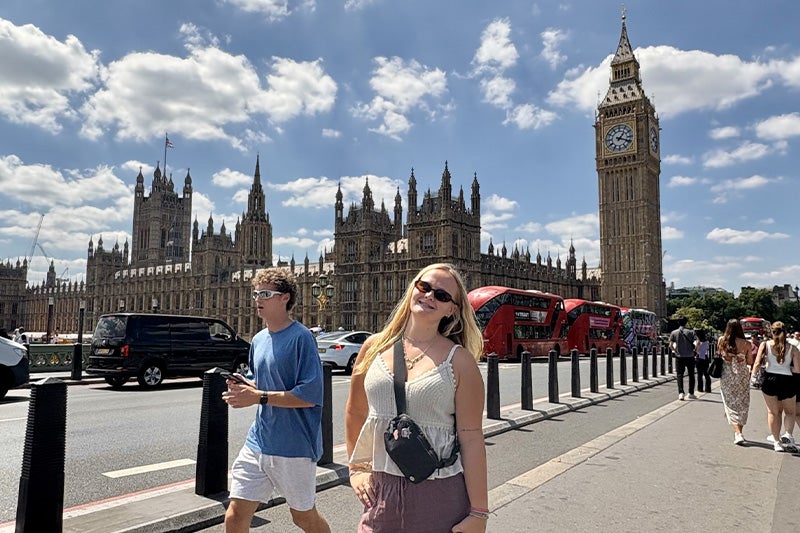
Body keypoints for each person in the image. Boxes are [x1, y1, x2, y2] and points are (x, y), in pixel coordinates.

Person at [345, 263, 488, 532]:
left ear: (452, 310)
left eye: (443, 296)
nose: (430, 295)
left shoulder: (459, 361)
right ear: (413, 288)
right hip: (381, 493)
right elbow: (355, 411)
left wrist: (479, 512)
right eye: (424, 286)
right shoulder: (373, 348)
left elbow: (471, 437)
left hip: (439, 493)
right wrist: (356, 468)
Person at [222, 268, 330, 533]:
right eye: (257, 293)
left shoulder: (301, 338)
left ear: (285, 298)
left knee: (304, 519)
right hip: (258, 442)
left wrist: (257, 397)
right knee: (235, 516)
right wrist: (245, 386)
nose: (259, 298)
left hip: (293, 447)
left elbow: (309, 396)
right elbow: (263, 384)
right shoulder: (258, 340)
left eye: (266, 294)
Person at [751, 321, 800, 452]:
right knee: (790, 412)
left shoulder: (765, 345)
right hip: (788, 381)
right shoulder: (793, 348)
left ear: (772, 332)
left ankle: (777, 442)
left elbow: (756, 363)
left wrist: (753, 377)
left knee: (773, 412)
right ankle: (788, 434)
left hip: (770, 379)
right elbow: (797, 370)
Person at [716, 319, 752, 445]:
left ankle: (737, 433)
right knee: (742, 403)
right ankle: (739, 431)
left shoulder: (721, 340)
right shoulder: (746, 343)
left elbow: (719, 354)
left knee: (730, 403)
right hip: (741, 376)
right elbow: (750, 361)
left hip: (727, 376)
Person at [669, 316, 697, 400]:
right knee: (691, 374)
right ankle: (691, 393)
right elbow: (698, 342)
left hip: (679, 356)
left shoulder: (674, 332)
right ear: (686, 322)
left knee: (679, 375)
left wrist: (675, 350)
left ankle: (681, 393)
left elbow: (670, 345)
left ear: (678, 323)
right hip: (690, 356)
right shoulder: (691, 332)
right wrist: (695, 351)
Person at [694, 329, 711, 393]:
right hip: (705, 357)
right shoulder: (706, 341)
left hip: (699, 357)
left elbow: (696, 350)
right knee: (706, 373)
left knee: (700, 374)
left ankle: (700, 388)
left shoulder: (698, 341)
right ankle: (708, 388)